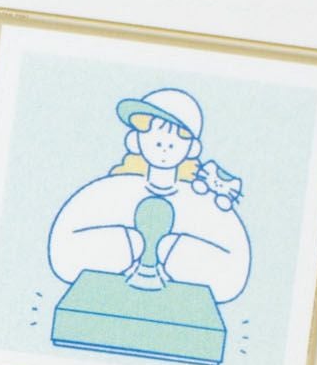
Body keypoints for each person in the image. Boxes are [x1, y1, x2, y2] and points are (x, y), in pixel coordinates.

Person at [46, 87, 250, 303]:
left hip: (178, 291)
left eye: (178, 137)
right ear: (135, 140)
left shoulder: (198, 200)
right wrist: (129, 244)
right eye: (153, 133)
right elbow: (65, 250)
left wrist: (171, 251)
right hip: (114, 281)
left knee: (169, 249)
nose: (165, 146)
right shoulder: (115, 188)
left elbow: (231, 273)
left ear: (192, 148)